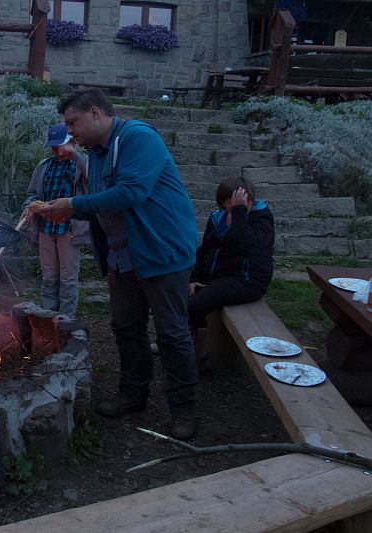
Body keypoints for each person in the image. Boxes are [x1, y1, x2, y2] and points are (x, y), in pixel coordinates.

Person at [36, 87, 200, 440]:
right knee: (126, 327)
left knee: (172, 333)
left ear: (96, 113)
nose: (70, 132)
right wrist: (65, 206)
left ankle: (184, 408)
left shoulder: (138, 138)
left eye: (73, 122)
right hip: (123, 255)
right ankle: (133, 393)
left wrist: (74, 205)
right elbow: (99, 200)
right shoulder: (94, 154)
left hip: (162, 252)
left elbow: (132, 192)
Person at [188, 177, 274, 342]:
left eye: (240, 203)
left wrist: (238, 215)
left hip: (246, 281)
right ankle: (179, 342)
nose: (233, 207)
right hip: (217, 277)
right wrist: (195, 278)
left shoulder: (261, 219)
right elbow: (204, 250)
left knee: (193, 306)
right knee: (177, 294)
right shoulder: (217, 217)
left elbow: (245, 246)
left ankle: (199, 352)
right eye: (230, 203)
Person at [22, 123, 88, 318]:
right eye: (53, 147)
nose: (57, 151)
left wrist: (74, 155)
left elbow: (93, 178)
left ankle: (66, 322)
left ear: (72, 142)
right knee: (49, 277)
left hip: (69, 229)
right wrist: (28, 206)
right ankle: (48, 320)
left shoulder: (81, 163)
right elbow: (33, 194)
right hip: (45, 228)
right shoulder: (44, 166)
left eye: (60, 146)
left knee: (68, 278)